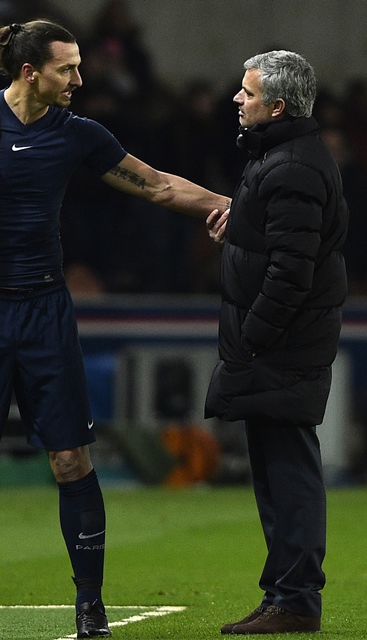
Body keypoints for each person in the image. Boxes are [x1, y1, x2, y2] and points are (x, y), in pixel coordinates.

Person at [0, 19, 230, 640]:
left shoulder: (79, 136)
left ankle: (90, 614)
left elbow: (154, 184)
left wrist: (220, 203)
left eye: (78, 66)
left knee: (71, 457)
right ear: (30, 72)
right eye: (66, 68)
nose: (79, 78)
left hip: (44, 309)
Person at [205, 50, 348, 634]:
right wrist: (240, 223)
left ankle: (294, 601)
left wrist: (253, 340)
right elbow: (281, 244)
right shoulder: (286, 158)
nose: (238, 99)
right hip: (282, 345)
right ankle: (284, 594)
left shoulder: (290, 164)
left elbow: (292, 269)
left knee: (288, 470)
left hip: (281, 346)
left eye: (248, 92)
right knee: (277, 469)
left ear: (278, 105)